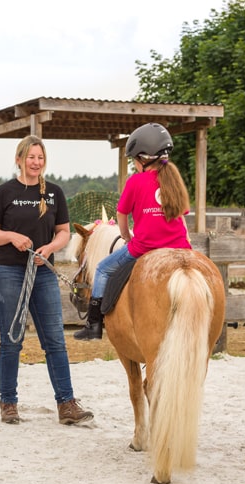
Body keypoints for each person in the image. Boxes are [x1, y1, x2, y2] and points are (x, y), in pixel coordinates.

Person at [0, 134, 93, 426]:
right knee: (11, 340)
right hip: (8, 271)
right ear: (19, 160)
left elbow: (64, 232)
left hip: (42, 272)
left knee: (55, 340)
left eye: (40, 157)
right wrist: (11, 236)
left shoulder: (54, 192)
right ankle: (9, 403)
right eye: (31, 157)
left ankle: (66, 404)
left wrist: (51, 249)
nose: (36, 162)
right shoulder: (3, 192)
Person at [74, 122, 192, 340]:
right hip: (179, 248)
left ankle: (94, 325)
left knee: (102, 269)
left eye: (134, 160)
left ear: (142, 158)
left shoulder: (136, 180)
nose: (135, 165)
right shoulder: (174, 180)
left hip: (145, 247)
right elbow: (182, 219)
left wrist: (127, 237)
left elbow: (121, 215)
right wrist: (187, 246)